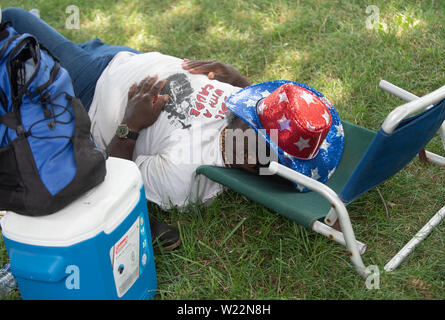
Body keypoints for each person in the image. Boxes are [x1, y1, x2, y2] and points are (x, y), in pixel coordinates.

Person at [0, 7, 258, 250]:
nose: (250, 107)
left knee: (13, 20)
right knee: (78, 46)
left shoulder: (185, 176)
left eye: (251, 120)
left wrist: (131, 124)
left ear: (249, 160)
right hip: (127, 57)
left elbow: (114, 178)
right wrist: (240, 81)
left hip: (96, 86)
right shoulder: (250, 115)